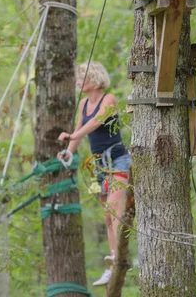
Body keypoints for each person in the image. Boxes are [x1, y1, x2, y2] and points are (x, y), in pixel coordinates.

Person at [57, 62, 131, 287]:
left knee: (114, 209)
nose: (78, 82)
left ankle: (121, 259)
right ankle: (113, 264)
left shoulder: (108, 99)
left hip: (117, 160)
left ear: (94, 78)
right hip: (99, 165)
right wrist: (69, 151)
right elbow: (81, 130)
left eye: (82, 77)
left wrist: (72, 135)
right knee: (107, 217)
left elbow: (98, 120)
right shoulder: (83, 104)